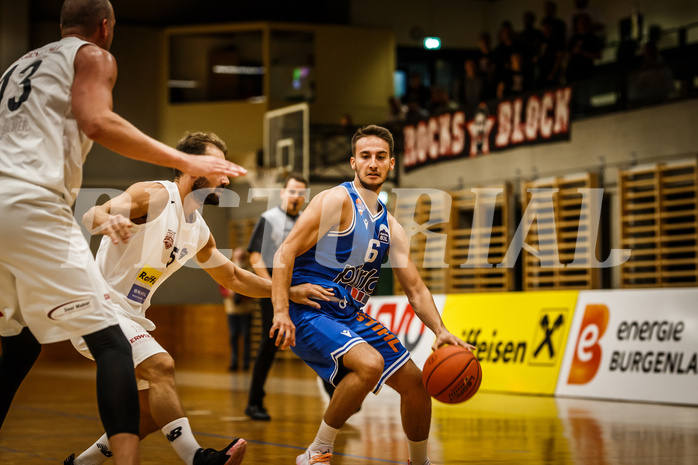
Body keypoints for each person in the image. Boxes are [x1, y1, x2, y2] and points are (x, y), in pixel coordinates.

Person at [0, 2, 243, 464]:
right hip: (34, 203)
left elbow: (231, 274)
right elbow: (98, 123)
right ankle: (189, 459)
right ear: (105, 27)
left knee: (17, 350)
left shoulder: (17, 66)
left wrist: (284, 290)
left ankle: (87, 461)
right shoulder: (92, 55)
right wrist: (187, 160)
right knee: (115, 345)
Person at [63, 132, 332, 465]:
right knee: (162, 366)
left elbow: (234, 277)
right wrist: (108, 219)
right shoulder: (158, 195)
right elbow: (94, 213)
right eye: (216, 165)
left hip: (129, 315)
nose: (226, 175)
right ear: (188, 165)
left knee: (147, 414)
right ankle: (198, 459)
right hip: (97, 308)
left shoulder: (199, 231)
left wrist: (286, 291)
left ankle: (80, 464)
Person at [270, 125, 473, 465]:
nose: (373, 163)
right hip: (311, 308)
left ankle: (418, 462)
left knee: (418, 386)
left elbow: (417, 289)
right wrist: (280, 310)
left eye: (380, 157)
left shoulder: (391, 227)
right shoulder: (336, 200)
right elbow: (284, 253)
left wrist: (440, 331)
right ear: (354, 162)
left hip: (349, 313)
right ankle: (317, 451)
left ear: (391, 164)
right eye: (365, 156)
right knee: (369, 363)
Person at [245, 173, 309, 421]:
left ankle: (333, 390)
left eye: (301, 192)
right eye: (292, 191)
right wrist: (272, 288)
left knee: (314, 337)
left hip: (300, 285)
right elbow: (255, 257)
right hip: (272, 287)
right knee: (270, 344)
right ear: (283, 193)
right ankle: (254, 402)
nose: (296, 196)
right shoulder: (269, 218)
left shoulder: (306, 220)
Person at [222, 249, 255, 371]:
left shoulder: (249, 271)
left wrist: (242, 294)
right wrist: (229, 293)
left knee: (246, 336)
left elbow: (253, 289)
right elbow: (222, 287)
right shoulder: (227, 270)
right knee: (233, 337)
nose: (238, 260)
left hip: (246, 309)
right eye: (236, 257)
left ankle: (246, 363)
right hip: (232, 310)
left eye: (240, 257)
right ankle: (234, 362)